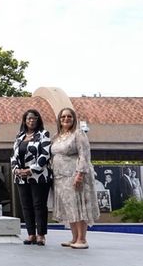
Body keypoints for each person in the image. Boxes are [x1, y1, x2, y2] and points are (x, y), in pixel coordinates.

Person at [50, 107, 99, 250]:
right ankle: (74, 237)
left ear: (74, 119)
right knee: (69, 207)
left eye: (69, 117)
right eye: (63, 117)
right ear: (59, 120)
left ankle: (82, 239)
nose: (66, 119)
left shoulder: (78, 134)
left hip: (74, 175)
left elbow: (84, 154)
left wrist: (80, 174)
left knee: (78, 207)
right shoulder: (57, 136)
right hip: (60, 177)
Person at [10, 109, 52, 246]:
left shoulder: (43, 134)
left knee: (39, 205)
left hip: (38, 176)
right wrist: (17, 170)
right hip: (21, 177)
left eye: (34, 118)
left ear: (38, 120)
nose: (31, 121)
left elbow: (45, 155)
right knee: (26, 206)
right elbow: (14, 156)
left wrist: (30, 170)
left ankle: (41, 235)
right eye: (29, 118)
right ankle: (31, 234)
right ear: (24, 121)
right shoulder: (19, 136)